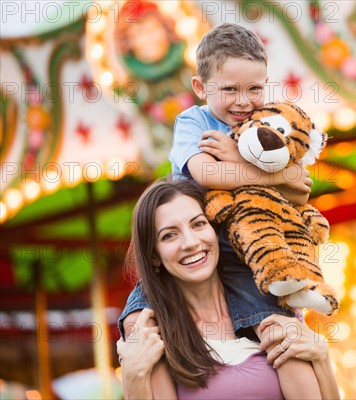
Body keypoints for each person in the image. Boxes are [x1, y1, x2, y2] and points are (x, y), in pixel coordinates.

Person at [119, 22, 327, 398]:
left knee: (280, 333)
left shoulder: (266, 122)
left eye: (254, 89)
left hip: (245, 257)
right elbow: (204, 171)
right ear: (201, 88)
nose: (243, 102)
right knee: (141, 318)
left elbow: (301, 184)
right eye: (229, 89)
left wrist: (245, 160)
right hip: (205, 243)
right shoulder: (194, 122)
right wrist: (265, 171)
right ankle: (137, 369)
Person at [117, 179, 339, 399]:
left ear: (215, 231)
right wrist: (133, 376)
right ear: (154, 256)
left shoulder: (267, 305)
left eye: (198, 224)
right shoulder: (158, 336)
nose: (191, 242)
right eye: (169, 235)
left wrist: (322, 358)